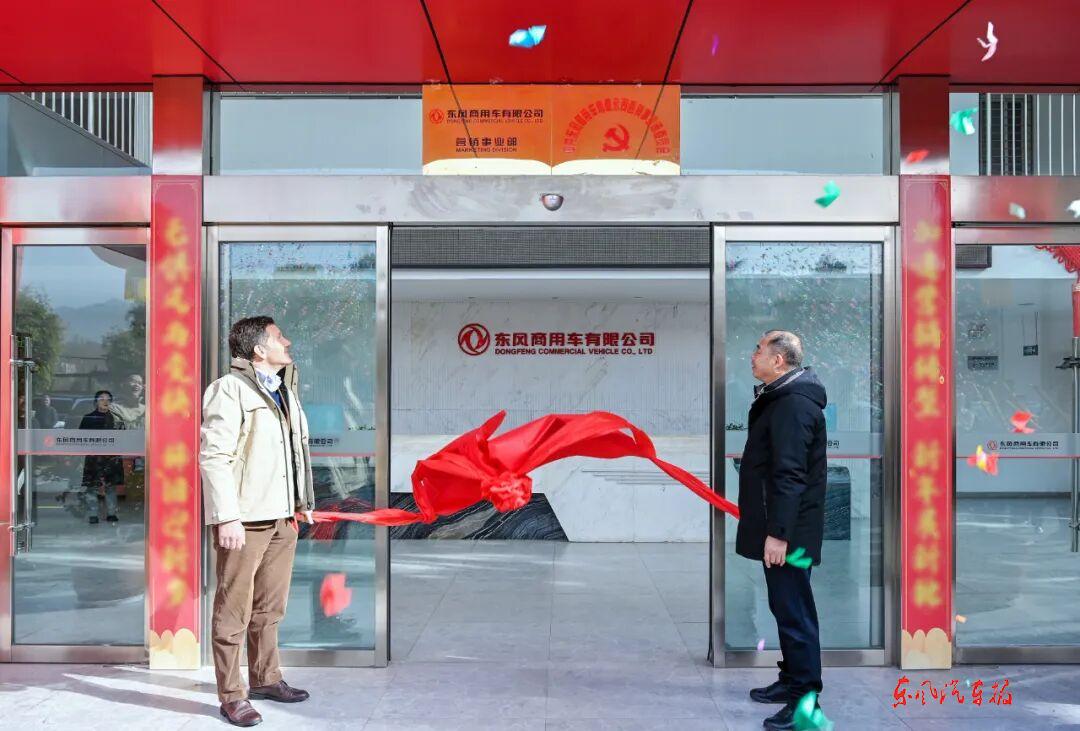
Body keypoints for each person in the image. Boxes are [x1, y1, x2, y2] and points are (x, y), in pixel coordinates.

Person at [200, 316, 315, 727]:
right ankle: (232, 695)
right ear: (259, 349)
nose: (288, 341)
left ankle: (266, 678)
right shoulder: (229, 389)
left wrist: (301, 504)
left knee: (270, 608)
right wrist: (226, 517)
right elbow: (215, 456)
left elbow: (294, 453)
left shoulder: (285, 391)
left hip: (283, 518)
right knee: (233, 610)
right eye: (280, 337)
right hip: (245, 520)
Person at [736, 330, 828, 731]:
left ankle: (805, 701)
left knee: (795, 613)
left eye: (759, 350)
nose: (752, 355)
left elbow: (790, 474)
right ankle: (791, 679)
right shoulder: (781, 398)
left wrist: (779, 534)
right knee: (785, 607)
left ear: (779, 360)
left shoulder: (793, 404)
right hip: (783, 527)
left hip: (789, 534)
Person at [80, 390, 124, 524]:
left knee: (111, 486)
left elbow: (124, 437)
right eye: (101, 399)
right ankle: (93, 514)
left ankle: (111, 513)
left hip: (112, 457)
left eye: (108, 399)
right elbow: (81, 437)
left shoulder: (117, 418)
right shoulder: (88, 418)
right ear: (96, 402)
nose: (105, 401)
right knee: (91, 486)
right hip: (94, 457)